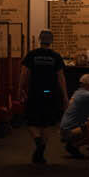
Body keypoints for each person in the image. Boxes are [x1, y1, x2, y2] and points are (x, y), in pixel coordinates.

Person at [20, 30, 68, 164]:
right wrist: (65, 96)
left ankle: (37, 141)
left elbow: (24, 74)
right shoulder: (56, 56)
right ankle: (41, 149)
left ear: (40, 40)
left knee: (30, 121)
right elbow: (61, 78)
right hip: (50, 93)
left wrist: (20, 89)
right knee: (47, 122)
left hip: (34, 92)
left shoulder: (32, 55)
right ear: (51, 41)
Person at [59, 74, 89, 159]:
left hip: (66, 128)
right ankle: (74, 145)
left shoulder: (78, 92)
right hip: (69, 130)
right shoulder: (86, 94)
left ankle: (74, 144)